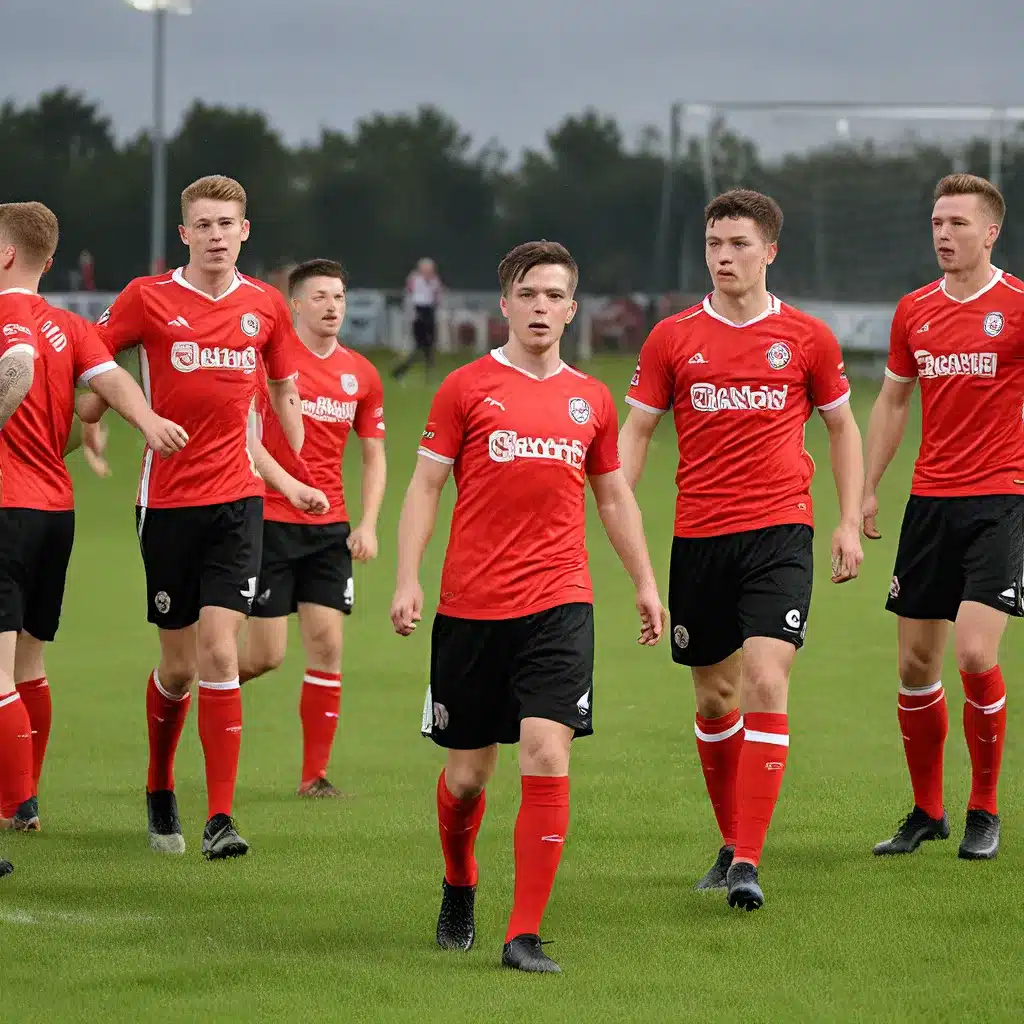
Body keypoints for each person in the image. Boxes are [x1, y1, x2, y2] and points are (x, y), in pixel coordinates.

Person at [390, 240, 666, 974]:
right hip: (471, 609)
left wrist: (643, 581)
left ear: (572, 310)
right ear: (505, 305)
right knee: (469, 777)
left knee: (547, 749)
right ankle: (459, 879)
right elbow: (424, 487)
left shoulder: (593, 399)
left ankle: (524, 933)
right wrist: (408, 577)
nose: (541, 307)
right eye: (528, 294)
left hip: (559, 603)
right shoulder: (465, 388)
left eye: (555, 296)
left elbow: (611, 494)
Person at [618, 189, 864, 912]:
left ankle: (750, 860)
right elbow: (635, 432)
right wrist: (617, 506)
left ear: (770, 251)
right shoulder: (671, 338)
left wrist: (848, 520)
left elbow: (842, 429)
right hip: (698, 536)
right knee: (713, 694)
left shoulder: (808, 337)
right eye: (714, 245)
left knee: (764, 680)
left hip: (781, 532)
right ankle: (730, 842)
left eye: (739, 245)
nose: (724, 257)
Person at [92, 175, 329, 861]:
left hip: (237, 503)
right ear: (185, 234)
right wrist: (128, 415)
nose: (217, 234)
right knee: (177, 669)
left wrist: (293, 434)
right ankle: (160, 782)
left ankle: (220, 818)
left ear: (245, 231)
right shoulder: (148, 297)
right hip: (164, 504)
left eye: (228, 223)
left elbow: (282, 380)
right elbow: (94, 361)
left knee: (221, 649)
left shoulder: (264, 308)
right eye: (204, 223)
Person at [0, 201, 188, 845]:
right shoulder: (71, 326)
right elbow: (109, 389)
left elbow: (16, 371)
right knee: (30, 666)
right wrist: (148, 422)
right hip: (55, 511)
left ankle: (12, 801)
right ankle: (23, 804)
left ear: (4, 256)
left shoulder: (4, 318)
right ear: (50, 261)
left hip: (3, 508)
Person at [863, 173, 1022, 862]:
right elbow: (895, 402)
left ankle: (983, 808)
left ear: (990, 232)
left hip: (1001, 500)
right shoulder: (915, 311)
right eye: (936, 222)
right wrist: (868, 486)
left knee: (975, 653)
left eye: (957, 223)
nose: (943, 234)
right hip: (930, 503)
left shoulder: (1016, 306)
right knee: (915, 667)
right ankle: (928, 810)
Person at [239, 259, 386, 797]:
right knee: (265, 656)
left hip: (330, 528)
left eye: (340, 297)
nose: (332, 307)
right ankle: (197, 685)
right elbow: (247, 437)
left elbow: (374, 457)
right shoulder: (269, 366)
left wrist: (367, 524)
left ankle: (314, 777)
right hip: (272, 521)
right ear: (294, 304)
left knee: (327, 646)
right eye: (320, 297)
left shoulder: (362, 374)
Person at [392, 258, 442, 382]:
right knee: (421, 347)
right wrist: (412, 314)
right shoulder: (414, 279)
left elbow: (437, 296)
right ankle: (401, 370)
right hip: (418, 313)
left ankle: (429, 375)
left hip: (429, 312)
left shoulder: (435, 280)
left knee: (429, 346)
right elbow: (409, 296)